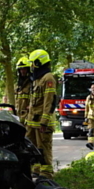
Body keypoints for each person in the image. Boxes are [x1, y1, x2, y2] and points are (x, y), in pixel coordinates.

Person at [29, 49, 58, 178]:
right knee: (34, 149)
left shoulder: (48, 78)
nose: (31, 66)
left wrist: (44, 122)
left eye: (33, 63)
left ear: (39, 62)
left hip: (42, 123)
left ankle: (46, 175)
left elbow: (49, 101)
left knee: (44, 149)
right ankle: (36, 171)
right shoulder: (37, 79)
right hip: (33, 122)